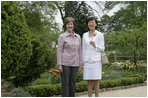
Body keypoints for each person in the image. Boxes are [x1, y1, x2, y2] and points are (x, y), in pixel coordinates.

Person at [57, 17, 82, 97]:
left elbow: (80, 51)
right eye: (68, 24)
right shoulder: (62, 36)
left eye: (71, 24)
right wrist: (59, 64)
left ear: (73, 25)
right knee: (65, 83)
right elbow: (59, 51)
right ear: (65, 25)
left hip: (75, 63)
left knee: (73, 83)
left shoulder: (78, 37)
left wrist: (80, 64)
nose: (69, 26)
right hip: (65, 63)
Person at [82, 17, 105, 97]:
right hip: (87, 61)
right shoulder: (84, 35)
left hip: (96, 60)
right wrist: (82, 62)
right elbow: (83, 48)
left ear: (96, 24)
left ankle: (97, 96)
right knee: (88, 81)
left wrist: (95, 45)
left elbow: (102, 48)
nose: (91, 24)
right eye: (89, 22)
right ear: (87, 24)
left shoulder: (100, 34)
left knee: (96, 81)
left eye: (92, 22)